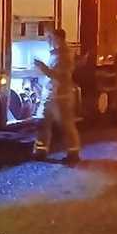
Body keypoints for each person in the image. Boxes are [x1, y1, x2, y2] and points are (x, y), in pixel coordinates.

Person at [33, 28, 81, 164]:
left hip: (61, 97)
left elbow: (61, 76)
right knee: (42, 123)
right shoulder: (55, 53)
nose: (48, 40)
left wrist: (43, 68)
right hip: (50, 95)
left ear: (58, 39)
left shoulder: (64, 55)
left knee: (66, 125)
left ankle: (73, 154)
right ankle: (41, 151)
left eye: (51, 37)